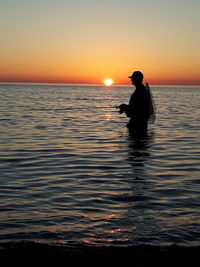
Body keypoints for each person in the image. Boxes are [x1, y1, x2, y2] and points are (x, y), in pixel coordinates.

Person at [117, 71, 155, 136]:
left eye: (133, 78)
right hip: (139, 123)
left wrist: (125, 107)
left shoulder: (140, 91)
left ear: (137, 79)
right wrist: (125, 107)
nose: (131, 80)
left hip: (137, 123)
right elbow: (136, 106)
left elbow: (138, 108)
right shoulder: (141, 90)